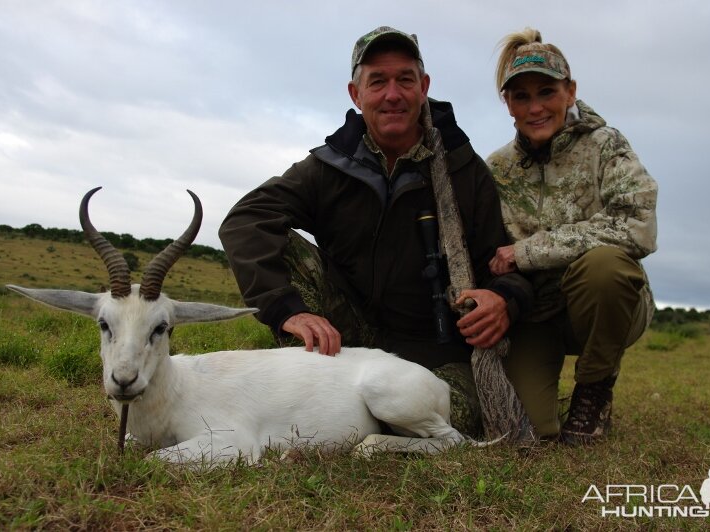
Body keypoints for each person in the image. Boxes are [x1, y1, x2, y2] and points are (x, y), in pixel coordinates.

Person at [219, 26, 533, 438]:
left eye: (405, 79)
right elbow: (246, 218)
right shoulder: (330, 165)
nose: (392, 94)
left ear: (423, 87)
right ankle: (320, 396)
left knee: (449, 419)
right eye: (377, 82)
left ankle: (344, 411)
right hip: (347, 336)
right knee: (288, 249)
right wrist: (287, 311)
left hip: (435, 353)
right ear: (356, 94)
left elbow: (503, 260)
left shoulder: (464, 169)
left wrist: (504, 299)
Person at [485, 28, 658, 444]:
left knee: (605, 266)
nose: (536, 106)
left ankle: (595, 386)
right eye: (521, 96)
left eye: (547, 91)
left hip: (604, 303)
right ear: (508, 104)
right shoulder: (496, 168)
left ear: (570, 91)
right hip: (536, 314)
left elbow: (637, 227)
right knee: (529, 430)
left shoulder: (606, 145)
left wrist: (526, 252)